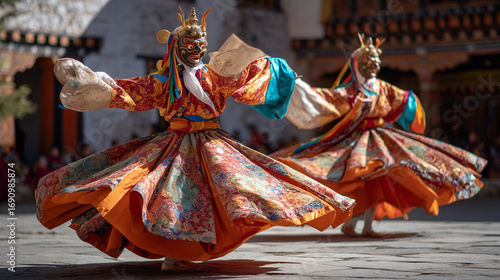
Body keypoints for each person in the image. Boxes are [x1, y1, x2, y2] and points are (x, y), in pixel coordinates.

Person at [35, 8, 355, 272]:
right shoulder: (164, 81)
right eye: (191, 42)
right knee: (165, 197)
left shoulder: (216, 75)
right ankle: (174, 251)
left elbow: (251, 77)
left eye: (201, 42)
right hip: (175, 142)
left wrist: (281, 77)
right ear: (177, 46)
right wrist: (96, 83)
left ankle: (184, 251)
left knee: (239, 189)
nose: (198, 48)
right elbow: (130, 91)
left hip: (213, 142)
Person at [272, 34, 487, 237]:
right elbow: (322, 100)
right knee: (358, 181)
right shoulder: (351, 91)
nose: (373, 64)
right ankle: (352, 223)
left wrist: (410, 104)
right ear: (358, 63)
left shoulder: (384, 88)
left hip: (381, 140)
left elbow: (405, 102)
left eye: (376, 60)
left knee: (375, 181)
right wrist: (295, 84)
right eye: (369, 60)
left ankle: (364, 226)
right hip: (355, 141)